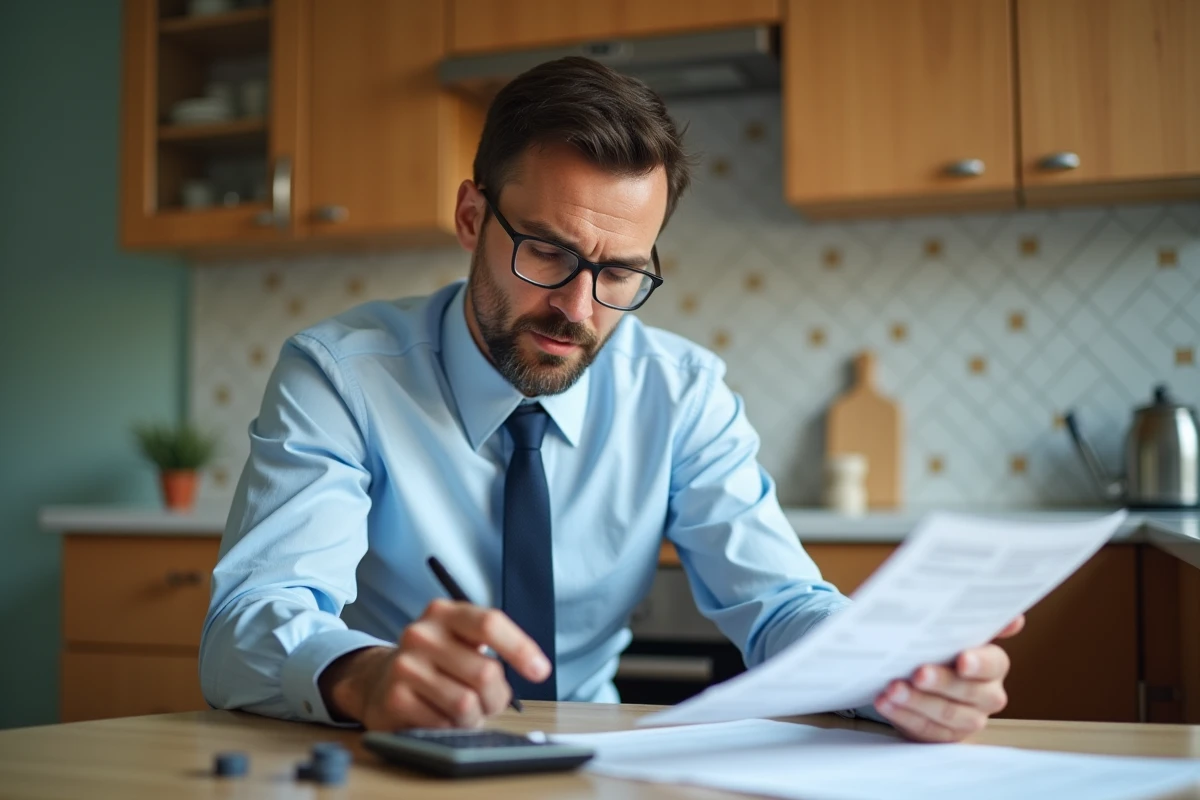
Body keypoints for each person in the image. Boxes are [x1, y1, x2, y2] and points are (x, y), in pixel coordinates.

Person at [200, 56, 1021, 744]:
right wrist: (363, 673)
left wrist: (888, 670)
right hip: (390, 758)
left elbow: (777, 605)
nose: (580, 309)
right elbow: (250, 623)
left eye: (620, 272)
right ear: (470, 216)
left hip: (591, 764)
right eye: (547, 254)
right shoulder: (340, 376)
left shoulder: (682, 392)